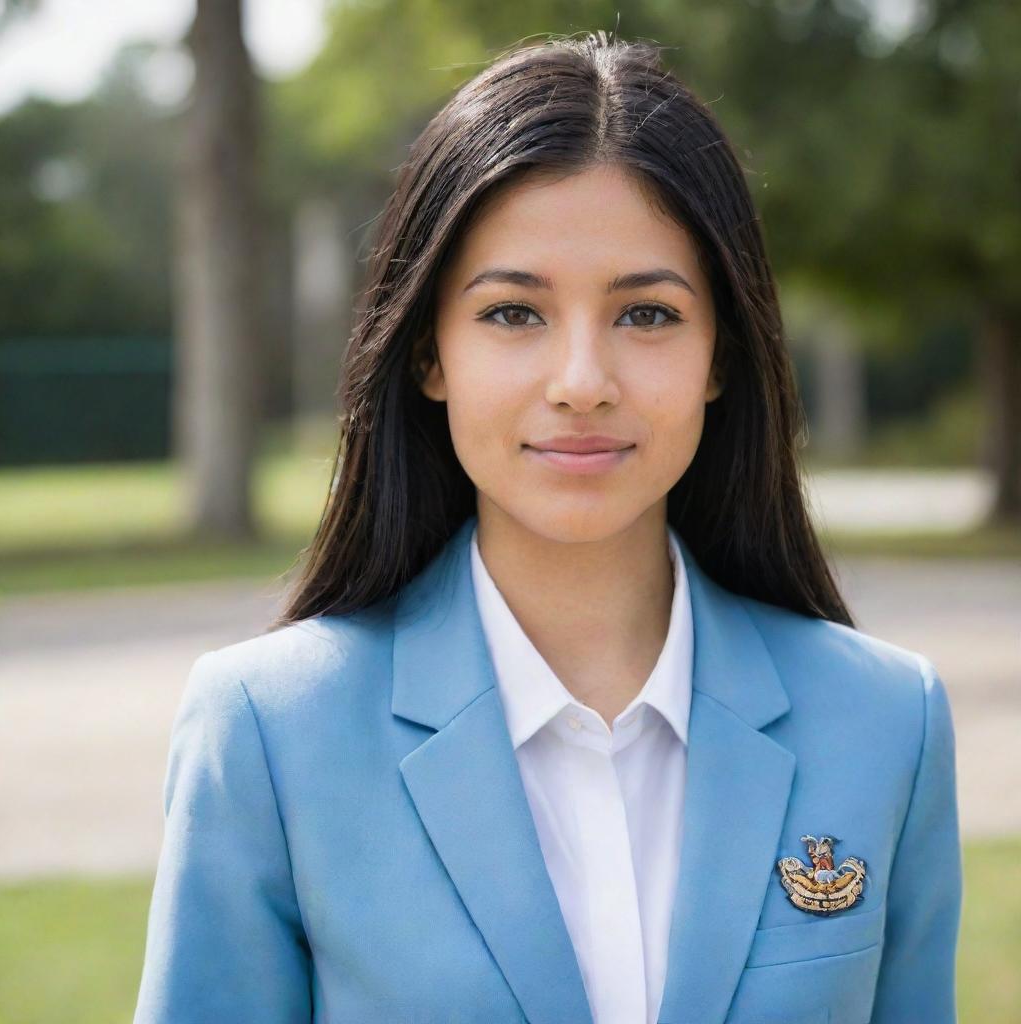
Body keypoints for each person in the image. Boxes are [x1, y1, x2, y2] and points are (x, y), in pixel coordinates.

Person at [133, 29, 961, 1024]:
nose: (582, 382)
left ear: (720, 357)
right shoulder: (267, 733)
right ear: (428, 353)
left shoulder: (883, 721)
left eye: (646, 315)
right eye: (513, 314)